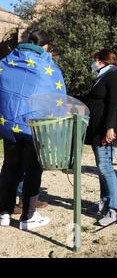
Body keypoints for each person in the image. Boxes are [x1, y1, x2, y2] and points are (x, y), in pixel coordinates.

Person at [0, 29, 66, 230]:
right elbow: (57, 96)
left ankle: (3, 213)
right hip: (35, 127)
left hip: (9, 123)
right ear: (45, 47)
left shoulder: (6, 62)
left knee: (10, 167)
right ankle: (28, 217)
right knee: (33, 169)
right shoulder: (47, 66)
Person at [84, 49, 117, 226]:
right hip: (96, 129)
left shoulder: (114, 75)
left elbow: (115, 103)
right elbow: (91, 99)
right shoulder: (101, 77)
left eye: (95, 60)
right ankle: (105, 201)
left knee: (105, 167)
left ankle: (114, 209)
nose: (93, 63)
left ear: (102, 61)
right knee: (102, 167)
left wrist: (110, 127)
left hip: (105, 130)